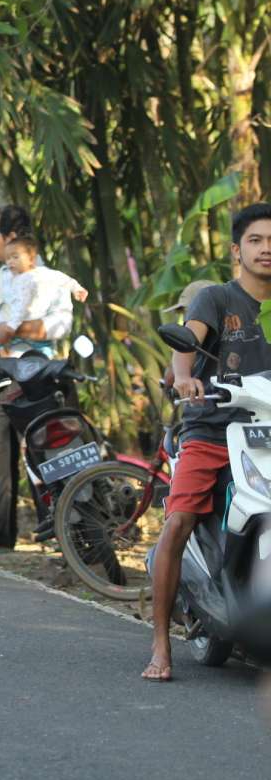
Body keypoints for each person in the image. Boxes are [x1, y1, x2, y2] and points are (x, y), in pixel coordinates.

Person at [143, 202, 271, 681]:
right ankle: (160, 645)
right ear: (238, 250)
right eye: (256, 240)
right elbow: (186, 342)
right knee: (178, 520)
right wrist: (184, 378)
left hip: (269, 431)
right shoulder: (216, 298)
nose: (266, 249)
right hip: (214, 428)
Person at [0, 204, 71, 551]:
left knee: (48, 451)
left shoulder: (50, 280)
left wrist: (19, 330)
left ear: (12, 238)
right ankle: (1, 537)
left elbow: (62, 324)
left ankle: (59, 528)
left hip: (38, 374)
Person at [0, 235, 88, 356]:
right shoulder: (13, 279)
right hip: (18, 337)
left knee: (41, 364)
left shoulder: (38, 275)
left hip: (37, 338)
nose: (10, 262)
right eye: (8, 258)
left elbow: (61, 278)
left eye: (15, 257)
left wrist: (76, 288)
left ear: (31, 259)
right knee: (14, 366)